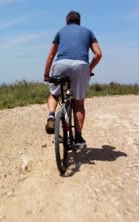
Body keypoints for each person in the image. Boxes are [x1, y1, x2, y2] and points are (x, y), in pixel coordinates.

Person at [43, 10, 102, 148]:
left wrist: (46, 75)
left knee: (54, 94)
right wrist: (89, 69)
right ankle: (79, 138)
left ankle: (52, 115)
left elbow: (51, 55)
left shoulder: (60, 32)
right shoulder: (88, 32)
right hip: (81, 65)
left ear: (67, 22)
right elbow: (98, 54)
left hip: (61, 64)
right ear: (79, 22)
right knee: (79, 104)